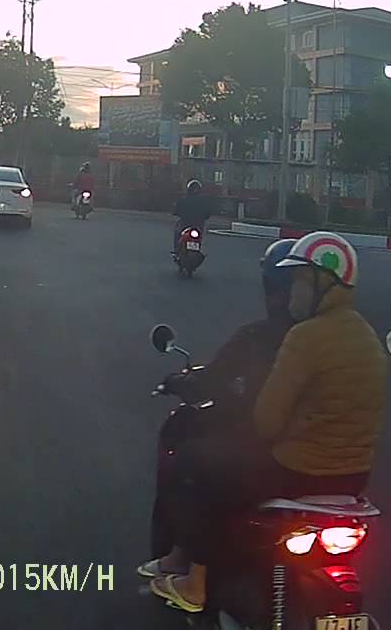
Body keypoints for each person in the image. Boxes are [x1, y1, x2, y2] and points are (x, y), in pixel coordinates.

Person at [146, 232, 387, 613]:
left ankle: (195, 583)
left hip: (299, 470)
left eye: (302, 281)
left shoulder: (306, 337)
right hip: (354, 478)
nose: (294, 293)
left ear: (325, 283)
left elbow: (267, 422)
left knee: (196, 463)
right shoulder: (368, 338)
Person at [137, 239, 296, 579]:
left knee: (191, 463)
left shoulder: (262, 337)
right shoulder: (341, 340)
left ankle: (187, 565)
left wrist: (178, 382)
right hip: (333, 462)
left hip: (277, 451)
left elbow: (213, 380)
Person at [172, 179, 211, 256]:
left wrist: (177, 213)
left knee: (177, 232)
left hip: (185, 224)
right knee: (199, 236)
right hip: (198, 225)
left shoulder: (183, 200)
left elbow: (175, 211)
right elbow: (208, 214)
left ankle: (177, 251)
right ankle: (197, 250)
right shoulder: (203, 201)